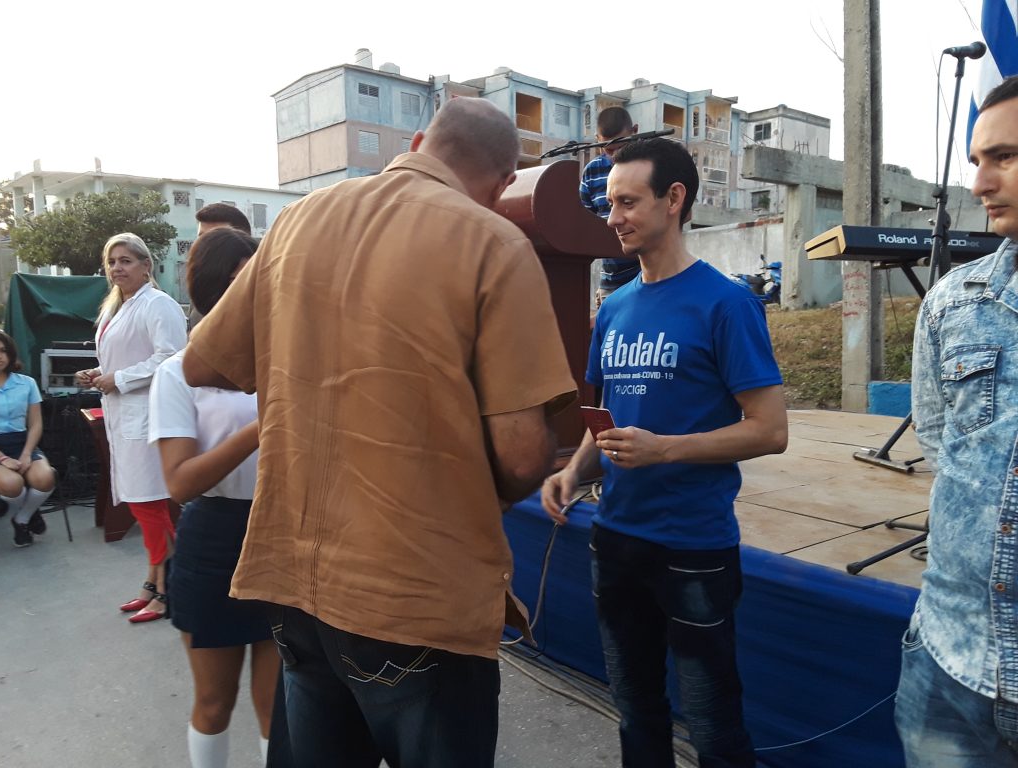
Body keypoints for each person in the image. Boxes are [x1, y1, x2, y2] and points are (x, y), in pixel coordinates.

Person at [183, 96, 576, 767]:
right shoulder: (494, 243)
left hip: (298, 584)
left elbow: (202, 363)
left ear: (419, 140)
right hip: (418, 596)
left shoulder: (297, 220)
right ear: (504, 182)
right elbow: (520, 458)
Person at [542, 138, 788, 768]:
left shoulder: (726, 303)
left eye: (627, 202)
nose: (613, 217)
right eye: (608, 204)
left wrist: (666, 450)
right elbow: (612, 429)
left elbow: (769, 430)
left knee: (712, 725)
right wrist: (571, 473)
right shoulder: (615, 309)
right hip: (616, 540)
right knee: (636, 712)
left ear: (674, 199)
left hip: (694, 547)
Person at [895, 75, 1018, 767]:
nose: (979, 182)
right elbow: (942, 443)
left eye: (1003, 157)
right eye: (975, 160)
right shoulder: (952, 304)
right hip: (952, 658)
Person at [149, 227, 278, 767]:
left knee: (282, 705)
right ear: (222, 282)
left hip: (280, 536)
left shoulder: (282, 362)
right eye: (245, 274)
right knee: (213, 701)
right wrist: (263, 426)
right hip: (214, 543)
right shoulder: (178, 372)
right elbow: (180, 482)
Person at [75, 233, 187, 623]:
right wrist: (99, 374)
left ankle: (168, 587)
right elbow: (124, 357)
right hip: (123, 414)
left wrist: (119, 378)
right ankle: (154, 582)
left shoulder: (159, 305)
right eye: (112, 261)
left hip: (147, 415)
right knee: (146, 505)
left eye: (125, 261)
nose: (117, 268)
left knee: (148, 504)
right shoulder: (115, 308)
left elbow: (172, 358)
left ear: (146, 266)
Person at [0, 329, 56, 548]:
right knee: (12, 484)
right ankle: (30, 511)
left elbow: (36, 423)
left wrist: (27, 453)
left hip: (23, 442)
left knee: (45, 478)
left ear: (10, 354)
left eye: (2, 350)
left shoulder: (26, 383)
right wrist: (2, 459)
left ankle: (22, 518)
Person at [580, 106, 642, 299]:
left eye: (621, 147)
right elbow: (584, 225)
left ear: (635, 132)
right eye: (608, 149)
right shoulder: (592, 172)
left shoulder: (651, 165)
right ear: (597, 140)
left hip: (649, 278)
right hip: (610, 283)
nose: (615, 156)